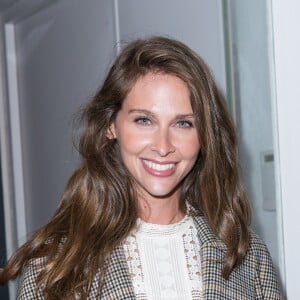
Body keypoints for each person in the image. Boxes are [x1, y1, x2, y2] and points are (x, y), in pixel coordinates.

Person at [0, 36, 282, 299]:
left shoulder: (248, 255)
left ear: (205, 135)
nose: (163, 146)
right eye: (144, 120)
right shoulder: (54, 263)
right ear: (111, 125)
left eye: (183, 123)